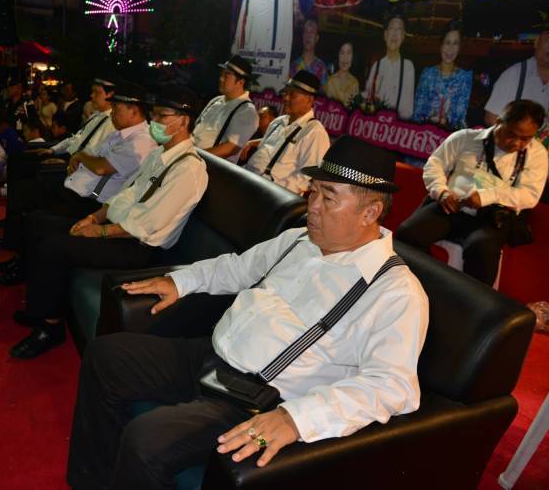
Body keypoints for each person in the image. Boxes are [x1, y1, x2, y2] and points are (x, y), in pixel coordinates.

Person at [67, 136, 429, 489]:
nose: (313, 206)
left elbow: (392, 386)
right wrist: (180, 281)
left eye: (329, 197)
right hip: (210, 357)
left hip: (255, 399)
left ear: (370, 212)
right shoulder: (299, 241)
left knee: (146, 440)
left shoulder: (395, 291)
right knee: (105, 355)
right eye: (313, 191)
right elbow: (238, 268)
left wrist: (297, 418)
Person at [9, 84, 209, 360]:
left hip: (136, 247)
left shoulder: (188, 169)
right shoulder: (159, 155)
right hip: (117, 229)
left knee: (53, 247)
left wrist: (100, 231)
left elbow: (147, 225)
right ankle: (39, 308)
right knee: (40, 225)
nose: (154, 121)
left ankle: (50, 328)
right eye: (154, 114)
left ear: (184, 122)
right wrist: (93, 217)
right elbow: (126, 194)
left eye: (162, 116)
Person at [0, 82, 157, 284]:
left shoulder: (141, 141)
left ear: (133, 111)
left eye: (116, 108)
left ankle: (21, 265)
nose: (112, 112)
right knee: (25, 192)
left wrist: (80, 157)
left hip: (90, 200)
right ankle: (19, 260)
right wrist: (79, 158)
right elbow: (91, 154)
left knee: (34, 212)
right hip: (77, 186)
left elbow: (100, 167)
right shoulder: (120, 134)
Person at [396, 100, 549, 286]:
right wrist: (441, 192)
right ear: (499, 122)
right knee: (407, 234)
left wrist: (487, 197)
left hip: (492, 217)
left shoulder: (537, 154)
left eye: (526, 139)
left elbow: (529, 195)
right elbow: (434, 165)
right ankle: (430, 283)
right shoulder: (465, 138)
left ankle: (469, 301)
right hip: (451, 206)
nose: (517, 143)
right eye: (511, 135)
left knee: (482, 250)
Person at [484, 8, 549, 155]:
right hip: (513, 153)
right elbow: (491, 118)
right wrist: (518, 139)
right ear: (537, 41)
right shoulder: (513, 76)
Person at [245, 71, 330, 196]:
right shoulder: (278, 122)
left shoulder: (314, 132)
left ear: (309, 100)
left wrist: (274, 190)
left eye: (292, 95)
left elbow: (306, 179)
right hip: (248, 180)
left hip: (272, 194)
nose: (285, 98)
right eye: (285, 92)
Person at [231, 0, 293, 90]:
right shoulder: (246, 2)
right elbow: (237, 47)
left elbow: (286, 49)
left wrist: (279, 88)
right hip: (246, 84)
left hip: (272, 87)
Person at [192, 56, 259, 164]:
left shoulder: (246, 111)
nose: (221, 78)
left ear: (241, 82)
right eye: (221, 74)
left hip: (209, 167)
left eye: (227, 75)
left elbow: (230, 148)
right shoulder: (216, 100)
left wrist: (195, 157)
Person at [413, 22, 472, 128]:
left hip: (450, 136)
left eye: (455, 43)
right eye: (447, 42)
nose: (450, 49)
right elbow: (417, 113)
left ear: (459, 47)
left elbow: (460, 118)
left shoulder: (464, 77)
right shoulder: (427, 74)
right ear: (441, 45)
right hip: (424, 134)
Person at [364, 13, 415, 119]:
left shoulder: (408, 67)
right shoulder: (377, 66)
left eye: (399, 29)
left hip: (397, 124)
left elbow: (408, 108)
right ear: (385, 34)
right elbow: (367, 98)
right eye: (392, 29)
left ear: (403, 36)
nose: (395, 34)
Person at [289, 18, 327, 88]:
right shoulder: (294, 65)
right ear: (303, 36)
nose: (308, 36)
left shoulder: (321, 67)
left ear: (316, 38)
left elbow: (323, 92)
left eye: (312, 32)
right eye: (306, 32)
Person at [326, 42, 360, 107]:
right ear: (337, 55)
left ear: (353, 57)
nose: (345, 58)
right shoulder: (331, 81)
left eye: (349, 53)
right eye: (342, 53)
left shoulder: (355, 82)